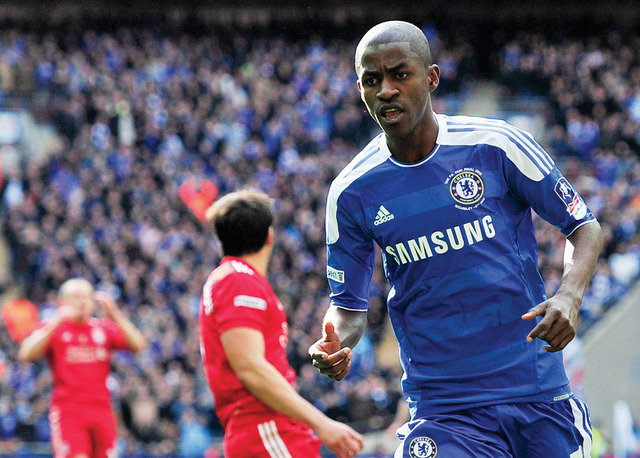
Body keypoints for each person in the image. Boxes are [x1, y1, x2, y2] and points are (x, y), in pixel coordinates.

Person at [309, 20, 603, 458]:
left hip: (536, 394)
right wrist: (336, 342)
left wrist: (569, 295)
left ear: (431, 77)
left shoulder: (496, 145)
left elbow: (583, 226)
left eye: (399, 74)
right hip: (444, 411)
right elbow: (348, 310)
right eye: (372, 81)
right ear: (360, 90)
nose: (386, 90)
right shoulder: (351, 191)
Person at [198, 189, 363, 458]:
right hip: (265, 427)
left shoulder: (231, 279)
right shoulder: (238, 281)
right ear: (270, 236)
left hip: (269, 429)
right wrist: (321, 423)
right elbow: (250, 367)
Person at [17, 278, 146, 458]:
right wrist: (57, 320)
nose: (82, 302)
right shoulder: (54, 328)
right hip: (69, 409)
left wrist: (115, 314)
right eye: (76, 297)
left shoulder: (103, 327)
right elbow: (25, 353)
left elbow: (138, 345)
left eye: (86, 297)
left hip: (102, 408)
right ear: (62, 302)